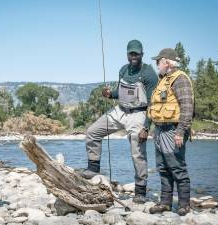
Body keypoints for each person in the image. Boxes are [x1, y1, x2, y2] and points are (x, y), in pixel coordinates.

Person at [80, 40, 158, 204]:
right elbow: (121, 93)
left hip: (139, 114)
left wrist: (146, 127)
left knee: (137, 152)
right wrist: (110, 94)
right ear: (127, 54)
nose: (133, 56)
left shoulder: (150, 74)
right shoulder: (123, 70)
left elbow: (153, 102)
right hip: (120, 111)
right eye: (131, 53)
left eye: (136, 53)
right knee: (92, 132)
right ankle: (93, 169)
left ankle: (140, 191)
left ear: (142, 54)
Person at [148, 48, 194, 216]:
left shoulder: (180, 79)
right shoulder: (163, 80)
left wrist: (180, 132)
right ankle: (165, 203)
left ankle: (184, 204)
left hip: (173, 129)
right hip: (159, 130)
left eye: (158, 61)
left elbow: (187, 107)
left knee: (177, 167)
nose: (156, 65)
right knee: (162, 168)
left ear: (166, 62)